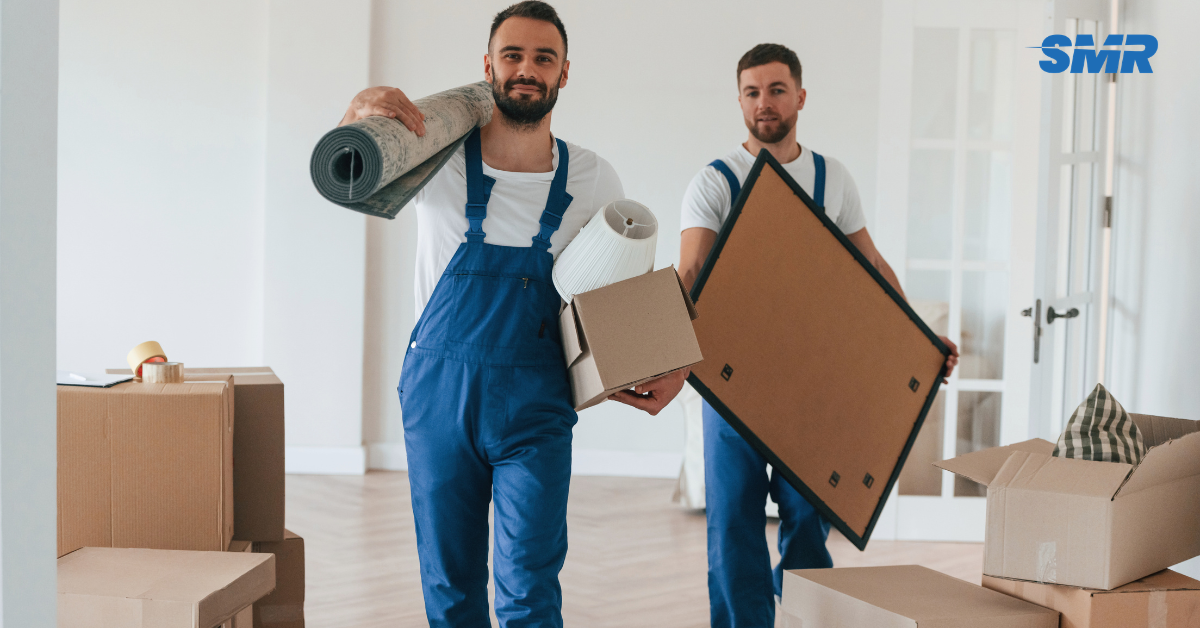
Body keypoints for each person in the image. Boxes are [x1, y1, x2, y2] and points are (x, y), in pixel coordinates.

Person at [339, 3, 687, 626]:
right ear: (488, 66)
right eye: (514, 55)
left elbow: (621, 292)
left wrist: (672, 363)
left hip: (537, 402)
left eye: (543, 58)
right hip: (438, 398)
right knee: (450, 583)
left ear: (564, 73)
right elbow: (349, 177)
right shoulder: (434, 152)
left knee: (529, 581)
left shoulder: (593, 178)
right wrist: (358, 112)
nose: (528, 69)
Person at [677, 43, 960, 628]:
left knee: (808, 518)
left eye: (777, 90)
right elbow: (691, 275)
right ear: (739, 101)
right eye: (752, 92)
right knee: (733, 520)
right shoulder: (716, 181)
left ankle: (807, 621)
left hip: (815, 384)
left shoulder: (831, 177)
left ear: (800, 97)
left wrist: (921, 343)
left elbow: (873, 267)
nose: (764, 103)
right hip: (733, 385)